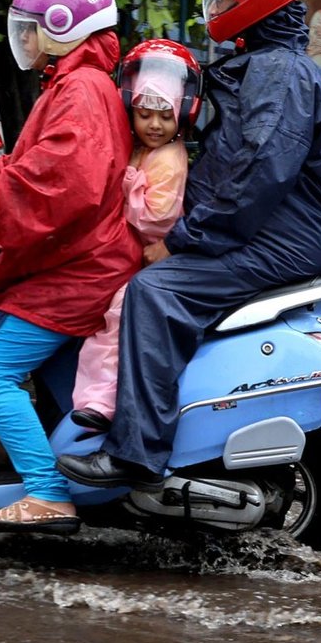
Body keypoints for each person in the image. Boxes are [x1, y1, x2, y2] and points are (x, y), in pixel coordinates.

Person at [57, 0, 321, 490]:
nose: (215, 6)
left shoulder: (280, 74)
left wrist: (184, 239)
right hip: (271, 230)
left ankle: (136, 456)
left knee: (154, 294)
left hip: (276, 238)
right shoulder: (262, 65)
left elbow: (256, 176)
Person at [0, 0, 140, 534]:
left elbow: (55, 188)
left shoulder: (81, 91)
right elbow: (38, 165)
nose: (24, 39)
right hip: (79, 256)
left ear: (63, 27)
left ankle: (47, 494)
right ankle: (56, 465)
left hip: (79, 267)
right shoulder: (75, 83)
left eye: (30, 27)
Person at [68, 39, 201, 432]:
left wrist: (126, 184)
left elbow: (155, 218)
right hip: (126, 252)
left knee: (115, 321)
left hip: (146, 258)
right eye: (145, 114)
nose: (154, 125)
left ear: (182, 113)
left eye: (164, 115)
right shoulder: (142, 149)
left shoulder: (169, 159)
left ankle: (101, 405)